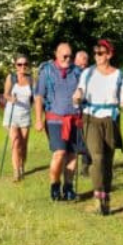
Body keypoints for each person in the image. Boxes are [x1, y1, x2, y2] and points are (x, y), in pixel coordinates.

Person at [72, 39, 123, 216]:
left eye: (100, 53)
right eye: (95, 53)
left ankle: (106, 195)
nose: (96, 56)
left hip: (111, 119)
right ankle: (98, 196)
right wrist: (76, 98)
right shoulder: (88, 73)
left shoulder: (119, 75)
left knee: (107, 161)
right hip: (90, 117)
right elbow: (79, 94)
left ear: (109, 55)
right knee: (97, 157)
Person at [32, 42, 85, 202]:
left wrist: (81, 95)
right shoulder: (47, 71)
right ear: (56, 54)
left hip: (75, 118)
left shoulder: (77, 72)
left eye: (70, 56)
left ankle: (68, 188)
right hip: (54, 119)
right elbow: (39, 96)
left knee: (72, 154)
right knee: (59, 153)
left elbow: (85, 91)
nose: (68, 59)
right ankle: (55, 185)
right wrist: (38, 119)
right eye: (64, 56)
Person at [0, 55, 34, 183]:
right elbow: (5, 94)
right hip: (11, 114)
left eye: (25, 64)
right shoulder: (11, 77)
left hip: (25, 115)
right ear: (15, 66)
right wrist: (10, 99)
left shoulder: (31, 79)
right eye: (19, 64)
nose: (22, 67)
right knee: (15, 143)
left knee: (23, 145)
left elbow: (34, 96)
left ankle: (22, 166)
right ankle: (16, 172)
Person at [73, 49, 93, 177]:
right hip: (73, 109)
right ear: (75, 61)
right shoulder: (70, 73)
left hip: (87, 109)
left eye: (85, 65)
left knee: (88, 138)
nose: (82, 67)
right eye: (80, 64)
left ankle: (86, 165)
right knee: (74, 138)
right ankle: (71, 166)